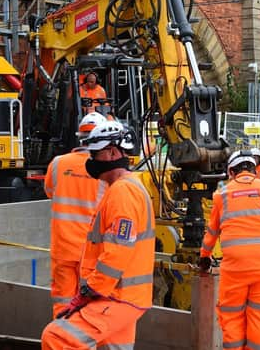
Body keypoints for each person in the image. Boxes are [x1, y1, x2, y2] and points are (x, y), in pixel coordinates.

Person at [41, 121, 155, 350]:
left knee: (56, 337)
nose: (91, 161)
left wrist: (92, 290)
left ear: (113, 152)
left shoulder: (123, 192)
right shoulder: (124, 188)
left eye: (96, 154)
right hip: (127, 296)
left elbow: (118, 250)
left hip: (116, 295)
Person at [199, 150, 260, 350]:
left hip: (236, 268)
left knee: (232, 315)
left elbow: (211, 232)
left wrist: (205, 257)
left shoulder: (221, 195)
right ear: (254, 170)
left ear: (232, 172)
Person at [43, 112, 108, 318]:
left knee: (62, 302)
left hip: (62, 248)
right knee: (89, 306)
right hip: (90, 252)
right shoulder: (103, 169)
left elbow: (50, 191)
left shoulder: (58, 163)